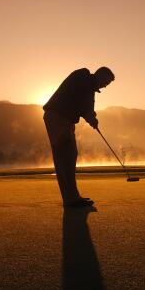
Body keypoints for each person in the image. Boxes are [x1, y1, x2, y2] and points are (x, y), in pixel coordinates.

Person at [43, 67, 115, 207]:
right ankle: (71, 199)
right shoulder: (83, 75)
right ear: (99, 75)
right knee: (65, 156)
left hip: (65, 119)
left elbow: (88, 107)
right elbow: (80, 98)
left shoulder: (90, 88)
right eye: (106, 82)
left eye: (107, 84)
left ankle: (72, 197)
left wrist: (92, 118)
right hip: (58, 117)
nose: (105, 86)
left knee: (69, 155)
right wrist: (90, 117)